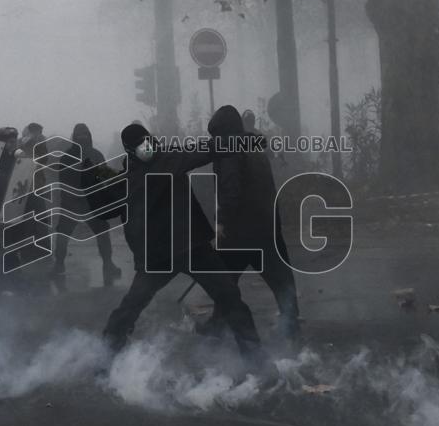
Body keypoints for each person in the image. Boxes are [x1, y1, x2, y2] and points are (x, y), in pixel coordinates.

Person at [98, 123, 263, 358]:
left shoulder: (168, 160)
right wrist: (89, 183)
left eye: (146, 141)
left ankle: (255, 357)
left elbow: (208, 149)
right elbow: (104, 209)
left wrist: (243, 141)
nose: (145, 148)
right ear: (129, 150)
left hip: (188, 248)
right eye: (139, 145)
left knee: (229, 297)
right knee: (132, 305)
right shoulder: (128, 180)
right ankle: (108, 350)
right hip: (162, 255)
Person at [198, 105, 301, 341]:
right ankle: (291, 323)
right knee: (281, 279)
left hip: (241, 232)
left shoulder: (230, 152)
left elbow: (230, 189)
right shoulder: (255, 149)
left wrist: (222, 222)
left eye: (216, 135)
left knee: (224, 279)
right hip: (266, 226)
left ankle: (217, 325)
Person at [52, 123, 121, 286]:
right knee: (63, 233)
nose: (82, 137)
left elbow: (105, 176)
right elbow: (64, 181)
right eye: (80, 135)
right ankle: (59, 264)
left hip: (89, 202)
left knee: (101, 231)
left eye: (84, 134)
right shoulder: (69, 156)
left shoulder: (89, 155)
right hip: (75, 202)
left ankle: (107, 264)